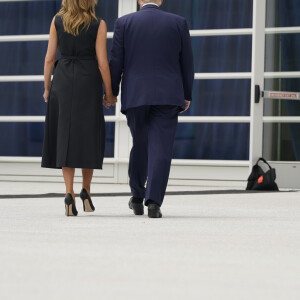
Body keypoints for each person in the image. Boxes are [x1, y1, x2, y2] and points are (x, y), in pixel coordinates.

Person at [108, 0, 194, 218]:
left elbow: (116, 61)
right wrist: (186, 94)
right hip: (168, 95)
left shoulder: (124, 23)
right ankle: (154, 202)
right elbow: (187, 62)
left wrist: (112, 91)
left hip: (136, 94)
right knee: (162, 148)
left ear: (138, 0)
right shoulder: (178, 22)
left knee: (140, 144)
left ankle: (137, 196)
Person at [41, 0, 117, 216]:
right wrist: (109, 94)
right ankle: (86, 190)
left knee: (65, 135)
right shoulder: (98, 24)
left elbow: (49, 59)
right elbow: (102, 62)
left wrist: (47, 87)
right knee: (88, 135)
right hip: (88, 81)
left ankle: (68, 193)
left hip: (63, 80)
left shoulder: (57, 21)